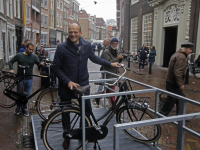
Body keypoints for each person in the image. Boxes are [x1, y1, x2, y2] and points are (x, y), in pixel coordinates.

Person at [52, 23, 120, 149]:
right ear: (68, 32)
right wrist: (68, 81)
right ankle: (67, 136)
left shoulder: (87, 45)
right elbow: (55, 67)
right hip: (67, 86)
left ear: (80, 33)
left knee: (86, 111)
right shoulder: (61, 48)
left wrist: (110, 64)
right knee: (65, 113)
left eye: (75, 32)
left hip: (83, 84)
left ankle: (84, 133)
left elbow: (94, 58)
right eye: (70, 32)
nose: (73, 34)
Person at [9, 43, 45, 116]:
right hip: (20, 78)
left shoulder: (34, 57)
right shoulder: (19, 55)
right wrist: (12, 69)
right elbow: (11, 61)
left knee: (27, 95)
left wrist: (41, 64)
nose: (31, 51)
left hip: (29, 78)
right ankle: (18, 107)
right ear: (26, 48)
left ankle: (23, 109)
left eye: (32, 49)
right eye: (29, 49)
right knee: (19, 94)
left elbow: (39, 64)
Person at [160, 42, 194, 116]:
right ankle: (162, 114)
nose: (191, 51)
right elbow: (177, 72)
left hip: (171, 82)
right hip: (173, 83)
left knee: (180, 98)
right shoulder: (181, 57)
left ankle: (180, 114)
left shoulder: (177, 54)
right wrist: (180, 84)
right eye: (190, 49)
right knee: (172, 99)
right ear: (185, 49)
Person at [95, 38, 124, 106]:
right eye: (113, 43)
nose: (115, 45)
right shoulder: (106, 51)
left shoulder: (115, 50)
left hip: (114, 72)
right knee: (112, 90)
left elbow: (117, 62)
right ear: (110, 43)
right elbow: (108, 62)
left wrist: (120, 59)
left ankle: (98, 97)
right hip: (108, 73)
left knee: (109, 89)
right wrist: (117, 58)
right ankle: (114, 107)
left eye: (116, 43)